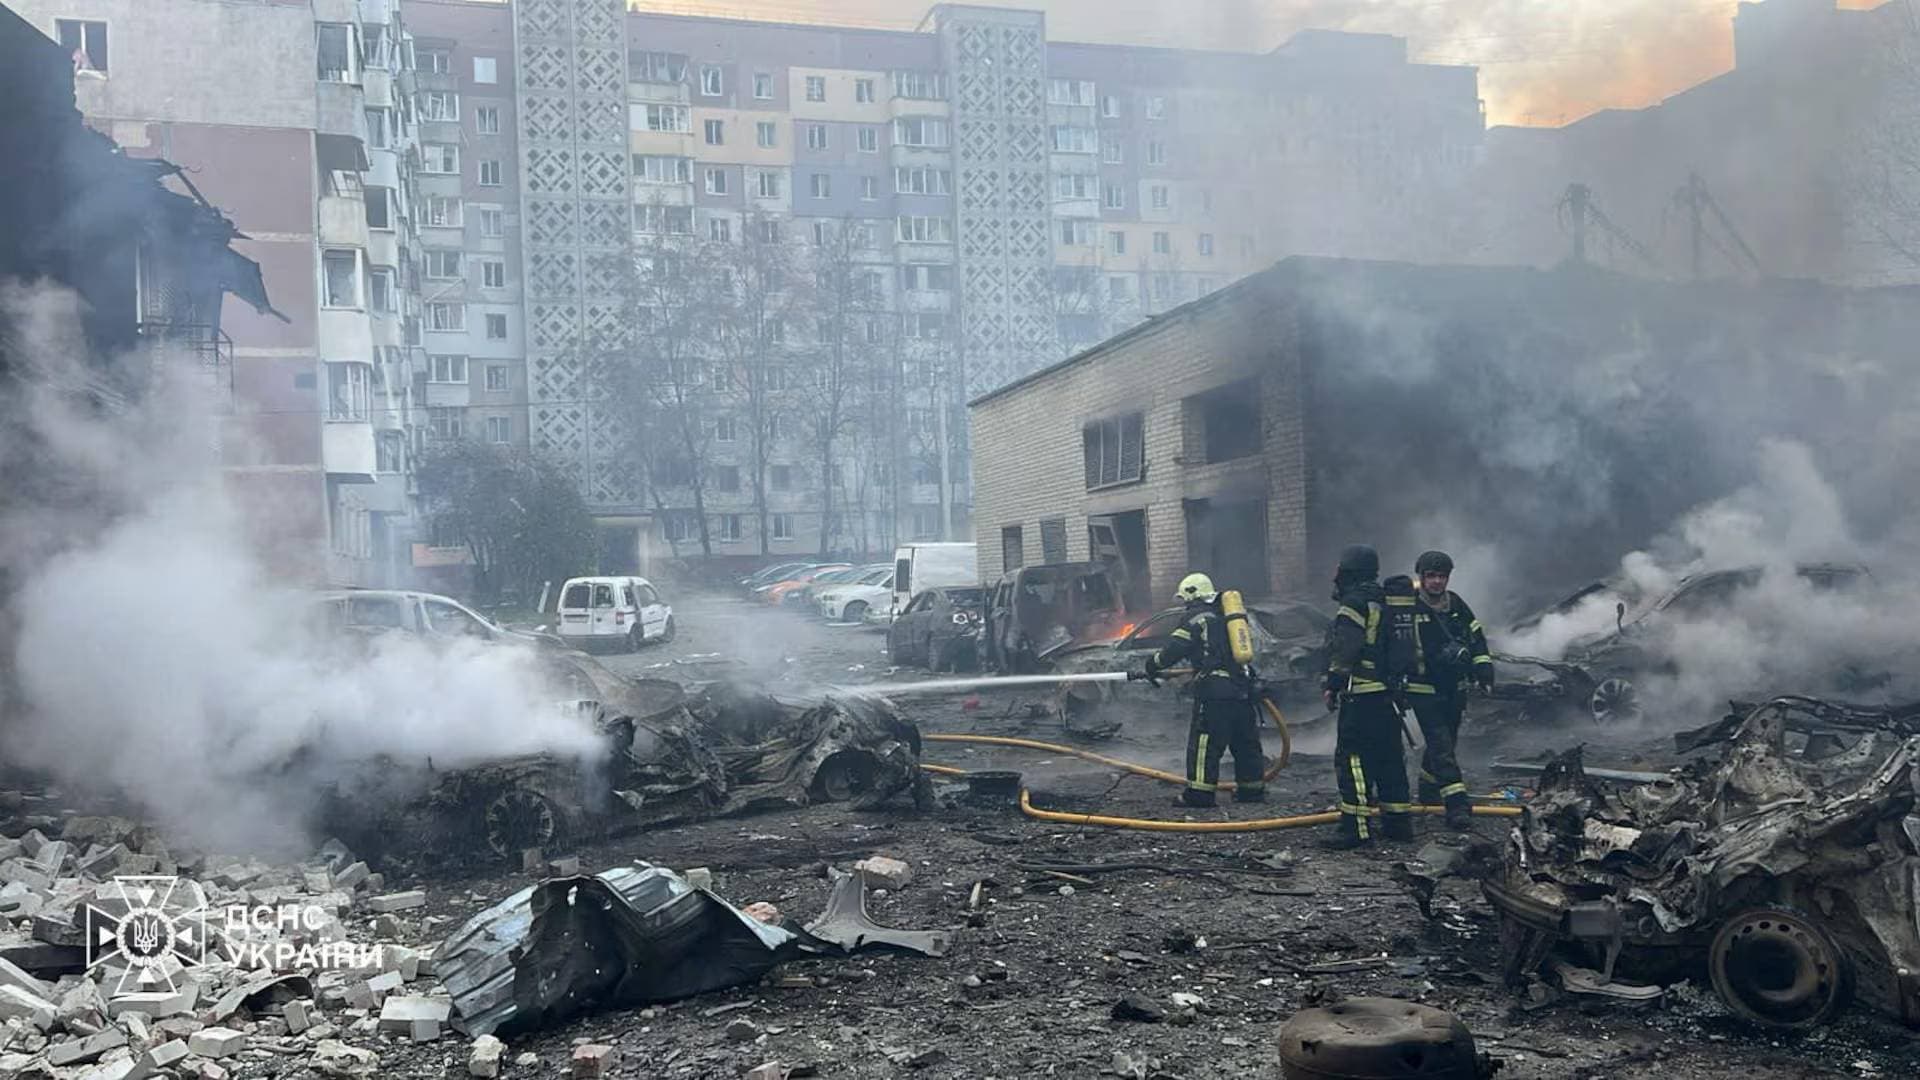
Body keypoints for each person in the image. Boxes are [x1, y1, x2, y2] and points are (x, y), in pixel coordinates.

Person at [1320, 545, 1414, 848]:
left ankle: (1356, 829)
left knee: (1353, 759)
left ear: (1349, 572)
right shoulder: (1387, 600)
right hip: (1388, 697)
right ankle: (1398, 825)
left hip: (1360, 695)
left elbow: (1346, 647)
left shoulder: (1354, 603)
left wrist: (1333, 682)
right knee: (1389, 759)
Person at [1143, 573, 1264, 807]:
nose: (1184, 604)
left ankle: (1199, 795)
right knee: (1245, 741)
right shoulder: (1228, 615)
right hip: (1243, 687)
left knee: (1205, 743)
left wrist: (1152, 665)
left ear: (1192, 595)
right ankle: (1252, 791)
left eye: (1185, 599)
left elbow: (1174, 650)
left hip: (1215, 692)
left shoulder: (1196, 618)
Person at [1405, 550, 1494, 830]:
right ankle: (1457, 807)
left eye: (1441, 576)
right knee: (1441, 744)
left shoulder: (1455, 604)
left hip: (1454, 688)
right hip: (1424, 688)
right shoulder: (1410, 607)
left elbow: (1476, 635)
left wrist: (1483, 668)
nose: (1436, 582)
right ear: (1421, 577)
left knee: (1446, 742)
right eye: (1431, 576)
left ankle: (1429, 789)